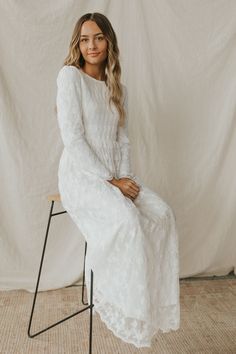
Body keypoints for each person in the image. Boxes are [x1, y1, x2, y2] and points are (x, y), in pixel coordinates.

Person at [56, 12, 180, 349]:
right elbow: (74, 140)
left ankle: (147, 306)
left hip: (115, 176)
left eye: (98, 37)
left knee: (161, 214)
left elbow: (122, 141)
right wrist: (112, 183)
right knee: (126, 221)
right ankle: (118, 304)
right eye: (84, 39)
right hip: (82, 176)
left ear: (109, 41)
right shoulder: (70, 78)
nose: (91, 45)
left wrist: (125, 179)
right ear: (77, 45)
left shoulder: (117, 89)